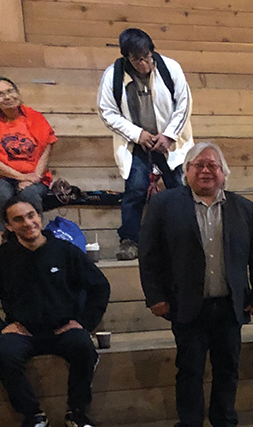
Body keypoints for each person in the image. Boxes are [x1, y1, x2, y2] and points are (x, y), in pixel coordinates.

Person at [139, 142, 253, 427]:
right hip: (186, 305)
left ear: (224, 173)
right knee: (190, 372)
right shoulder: (164, 205)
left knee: (228, 370)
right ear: (186, 172)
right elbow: (149, 255)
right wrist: (155, 296)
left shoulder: (244, 208)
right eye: (198, 165)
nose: (206, 170)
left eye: (213, 165)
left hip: (230, 305)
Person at [0, 196, 111, 427]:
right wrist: (1, 327)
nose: (28, 223)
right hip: (23, 332)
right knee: (2, 353)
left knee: (83, 347)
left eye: (31, 215)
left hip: (64, 329)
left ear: (39, 217)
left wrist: (84, 323)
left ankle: (77, 414)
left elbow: (100, 287)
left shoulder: (65, 252)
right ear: (8, 226)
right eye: (18, 219)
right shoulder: (0, 258)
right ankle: (33, 418)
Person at [97, 27, 193, 261]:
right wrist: (137, 134)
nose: (144, 63)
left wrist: (168, 135)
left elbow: (184, 103)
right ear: (126, 57)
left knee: (180, 189)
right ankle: (130, 241)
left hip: (170, 141)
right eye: (137, 59)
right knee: (136, 190)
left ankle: (185, 238)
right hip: (137, 143)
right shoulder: (114, 75)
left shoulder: (170, 68)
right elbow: (107, 111)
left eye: (147, 56)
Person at [0, 75, 57, 249]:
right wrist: (21, 177)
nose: (7, 97)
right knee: (1, 192)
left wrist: (35, 176)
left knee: (29, 194)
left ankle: (37, 244)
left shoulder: (35, 117)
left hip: (35, 177)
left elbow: (47, 148)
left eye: (10, 91)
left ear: (17, 93)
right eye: (0, 94)